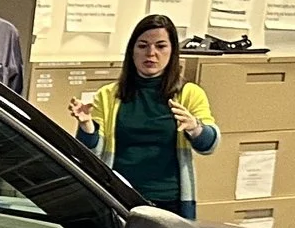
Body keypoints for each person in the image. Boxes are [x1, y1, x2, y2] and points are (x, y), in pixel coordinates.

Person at [69, 14, 218, 216]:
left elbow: (209, 145)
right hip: (119, 197)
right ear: (132, 51)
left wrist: (195, 128)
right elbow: (91, 152)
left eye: (160, 46)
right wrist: (86, 126)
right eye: (143, 46)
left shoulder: (189, 94)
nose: (151, 53)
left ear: (172, 51)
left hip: (169, 201)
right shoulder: (108, 95)